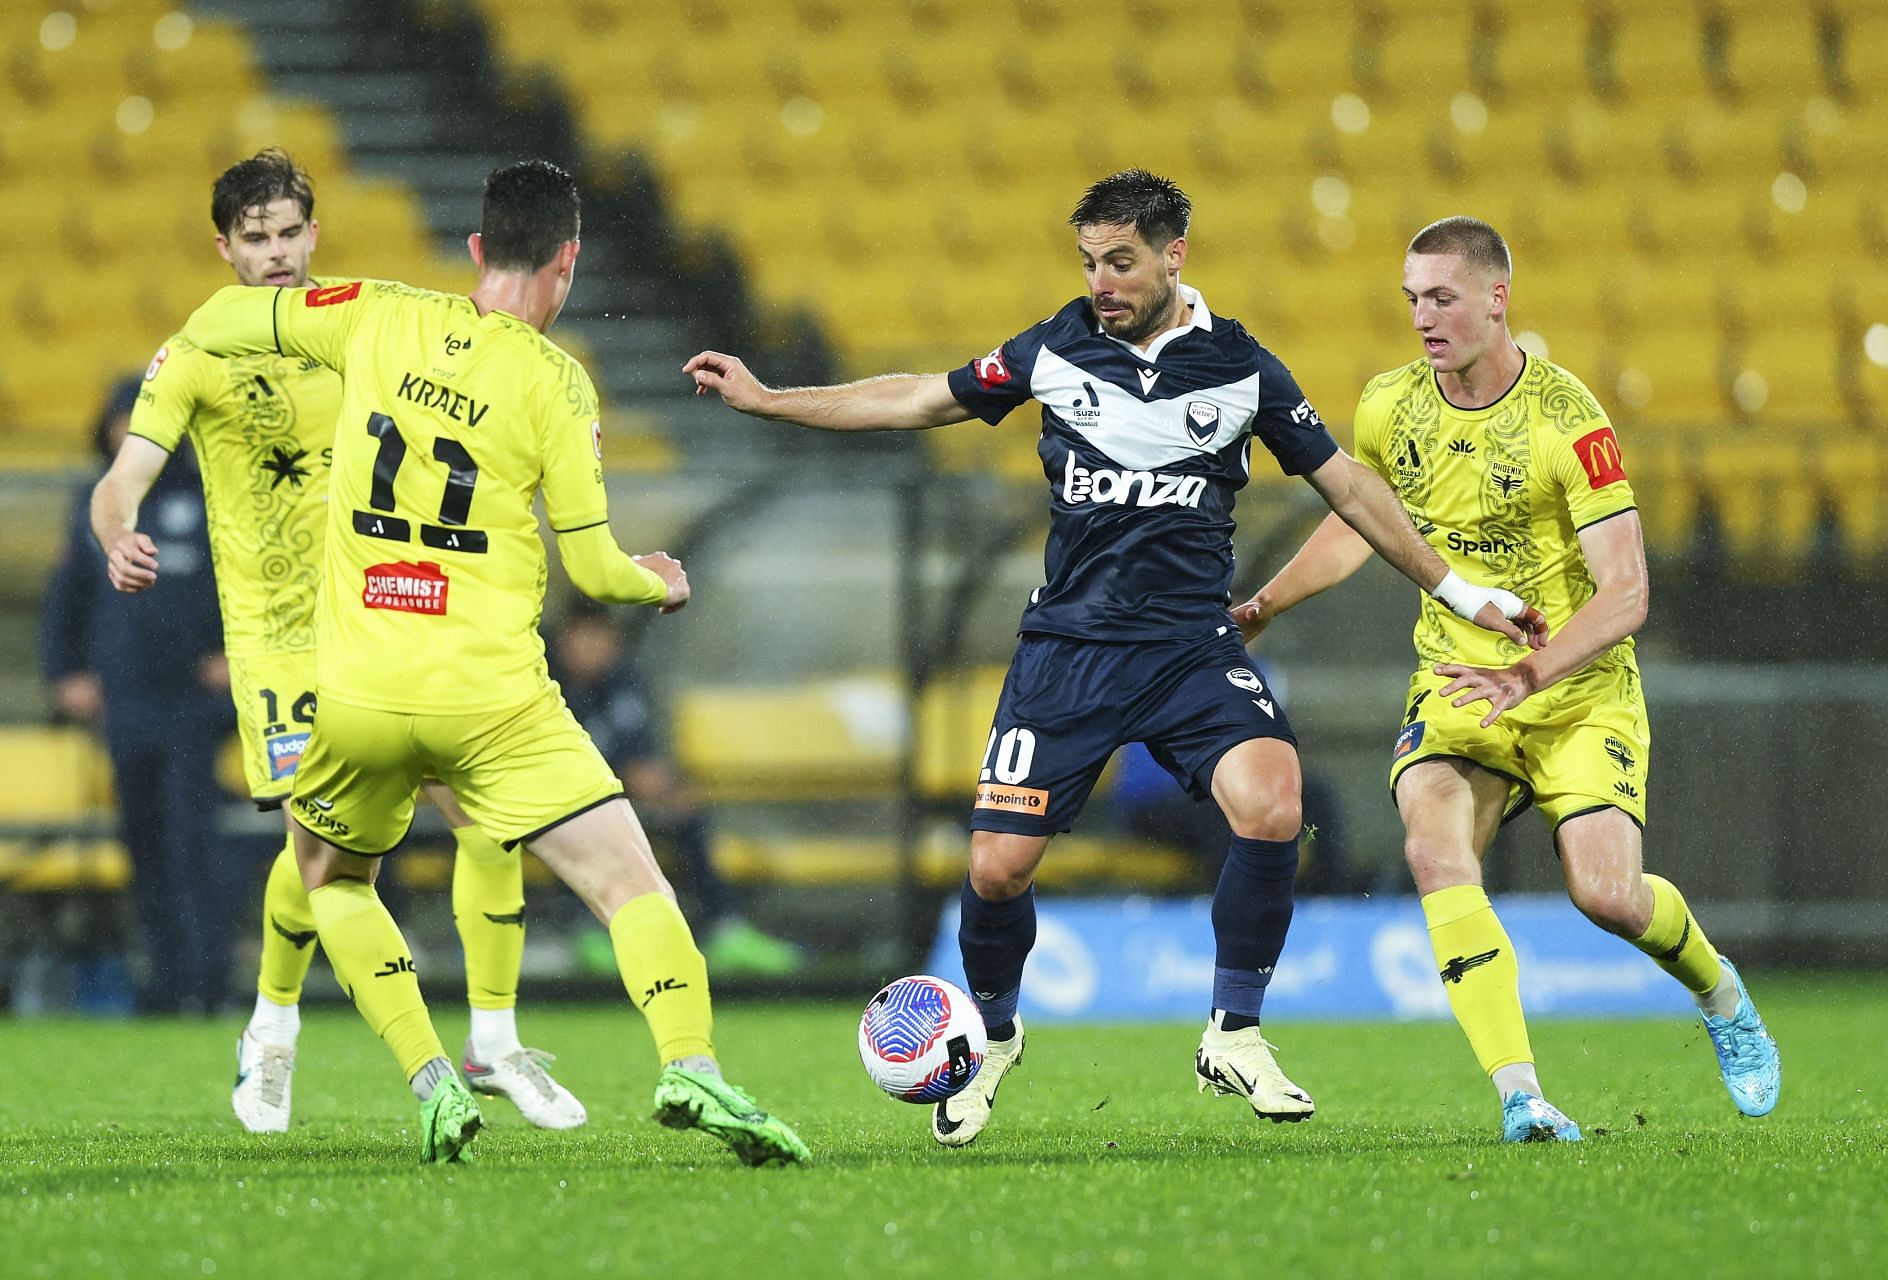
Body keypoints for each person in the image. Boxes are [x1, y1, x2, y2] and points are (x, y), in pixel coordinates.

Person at [683, 169, 1543, 1148]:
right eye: (1090, 261)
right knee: (999, 868)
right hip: (1070, 648)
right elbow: (920, 398)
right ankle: (995, 1035)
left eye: (1121, 262)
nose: (1102, 280)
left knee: (1274, 799)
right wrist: (768, 398)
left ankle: (1235, 1028)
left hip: (1189, 644)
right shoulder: (1055, 348)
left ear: (1175, 255)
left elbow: (1349, 484)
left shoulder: (1242, 368)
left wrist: (1463, 592)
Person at [176, 159, 807, 1165]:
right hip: (493, 700)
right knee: (631, 882)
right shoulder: (557, 381)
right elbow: (595, 568)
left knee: (332, 882)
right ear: (569, 259)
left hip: (360, 694)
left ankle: (431, 1077)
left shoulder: (376, 314)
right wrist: (659, 580)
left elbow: (226, 320)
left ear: (475, 250)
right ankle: (693, 1064)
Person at [1235, 216, 1780, 1141]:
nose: (1422, 317)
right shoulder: (1390, 406)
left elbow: (1628, 591)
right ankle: (1522, 1095)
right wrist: (1267, 604)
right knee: (1434, 850)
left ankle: (1722, 996)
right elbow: (1362, 524)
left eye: (1441, 297)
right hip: (1459, 682)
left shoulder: (1569, 421)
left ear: (1497, 299)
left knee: (1608, 895)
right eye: (1411, 298)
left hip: (1573, 688)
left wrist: (1533, 669)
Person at [89, 149, 582, 1134]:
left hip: (392, 613)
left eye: (288, 233)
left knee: (486, 821)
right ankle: (288, 1034)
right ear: (223, 245)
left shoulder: (367, 324)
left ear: (314, 233)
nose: (274, 254)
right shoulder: (198, 351)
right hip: (281, 642)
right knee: (322, 859)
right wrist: (117, 532)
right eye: (254, 238)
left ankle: (488, 1032)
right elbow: (123, 473)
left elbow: (471, 389)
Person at [42, 376, 237, 1015]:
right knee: (144, 848)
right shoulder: (95, 505)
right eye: (120, 418)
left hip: (191, 704)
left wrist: (240, 655)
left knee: (191, 847)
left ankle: (208, 984)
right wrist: (65, 672)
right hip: (124, 702)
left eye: (140, 418)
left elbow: (250, 585)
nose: (127, 432)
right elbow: (67, 596)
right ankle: (162, 983)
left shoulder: (208, 496)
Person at [549, 601, 804, 977]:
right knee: (571, 821)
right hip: (555, 802)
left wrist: (660, 785)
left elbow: (642, 760)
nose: (590, 647)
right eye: (581, 636)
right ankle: (586, 933)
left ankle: (724, 929)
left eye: (598, 636)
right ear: (562, 641)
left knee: (687, 813)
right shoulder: (543, 682)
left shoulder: (626, 681)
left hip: (616, 799)